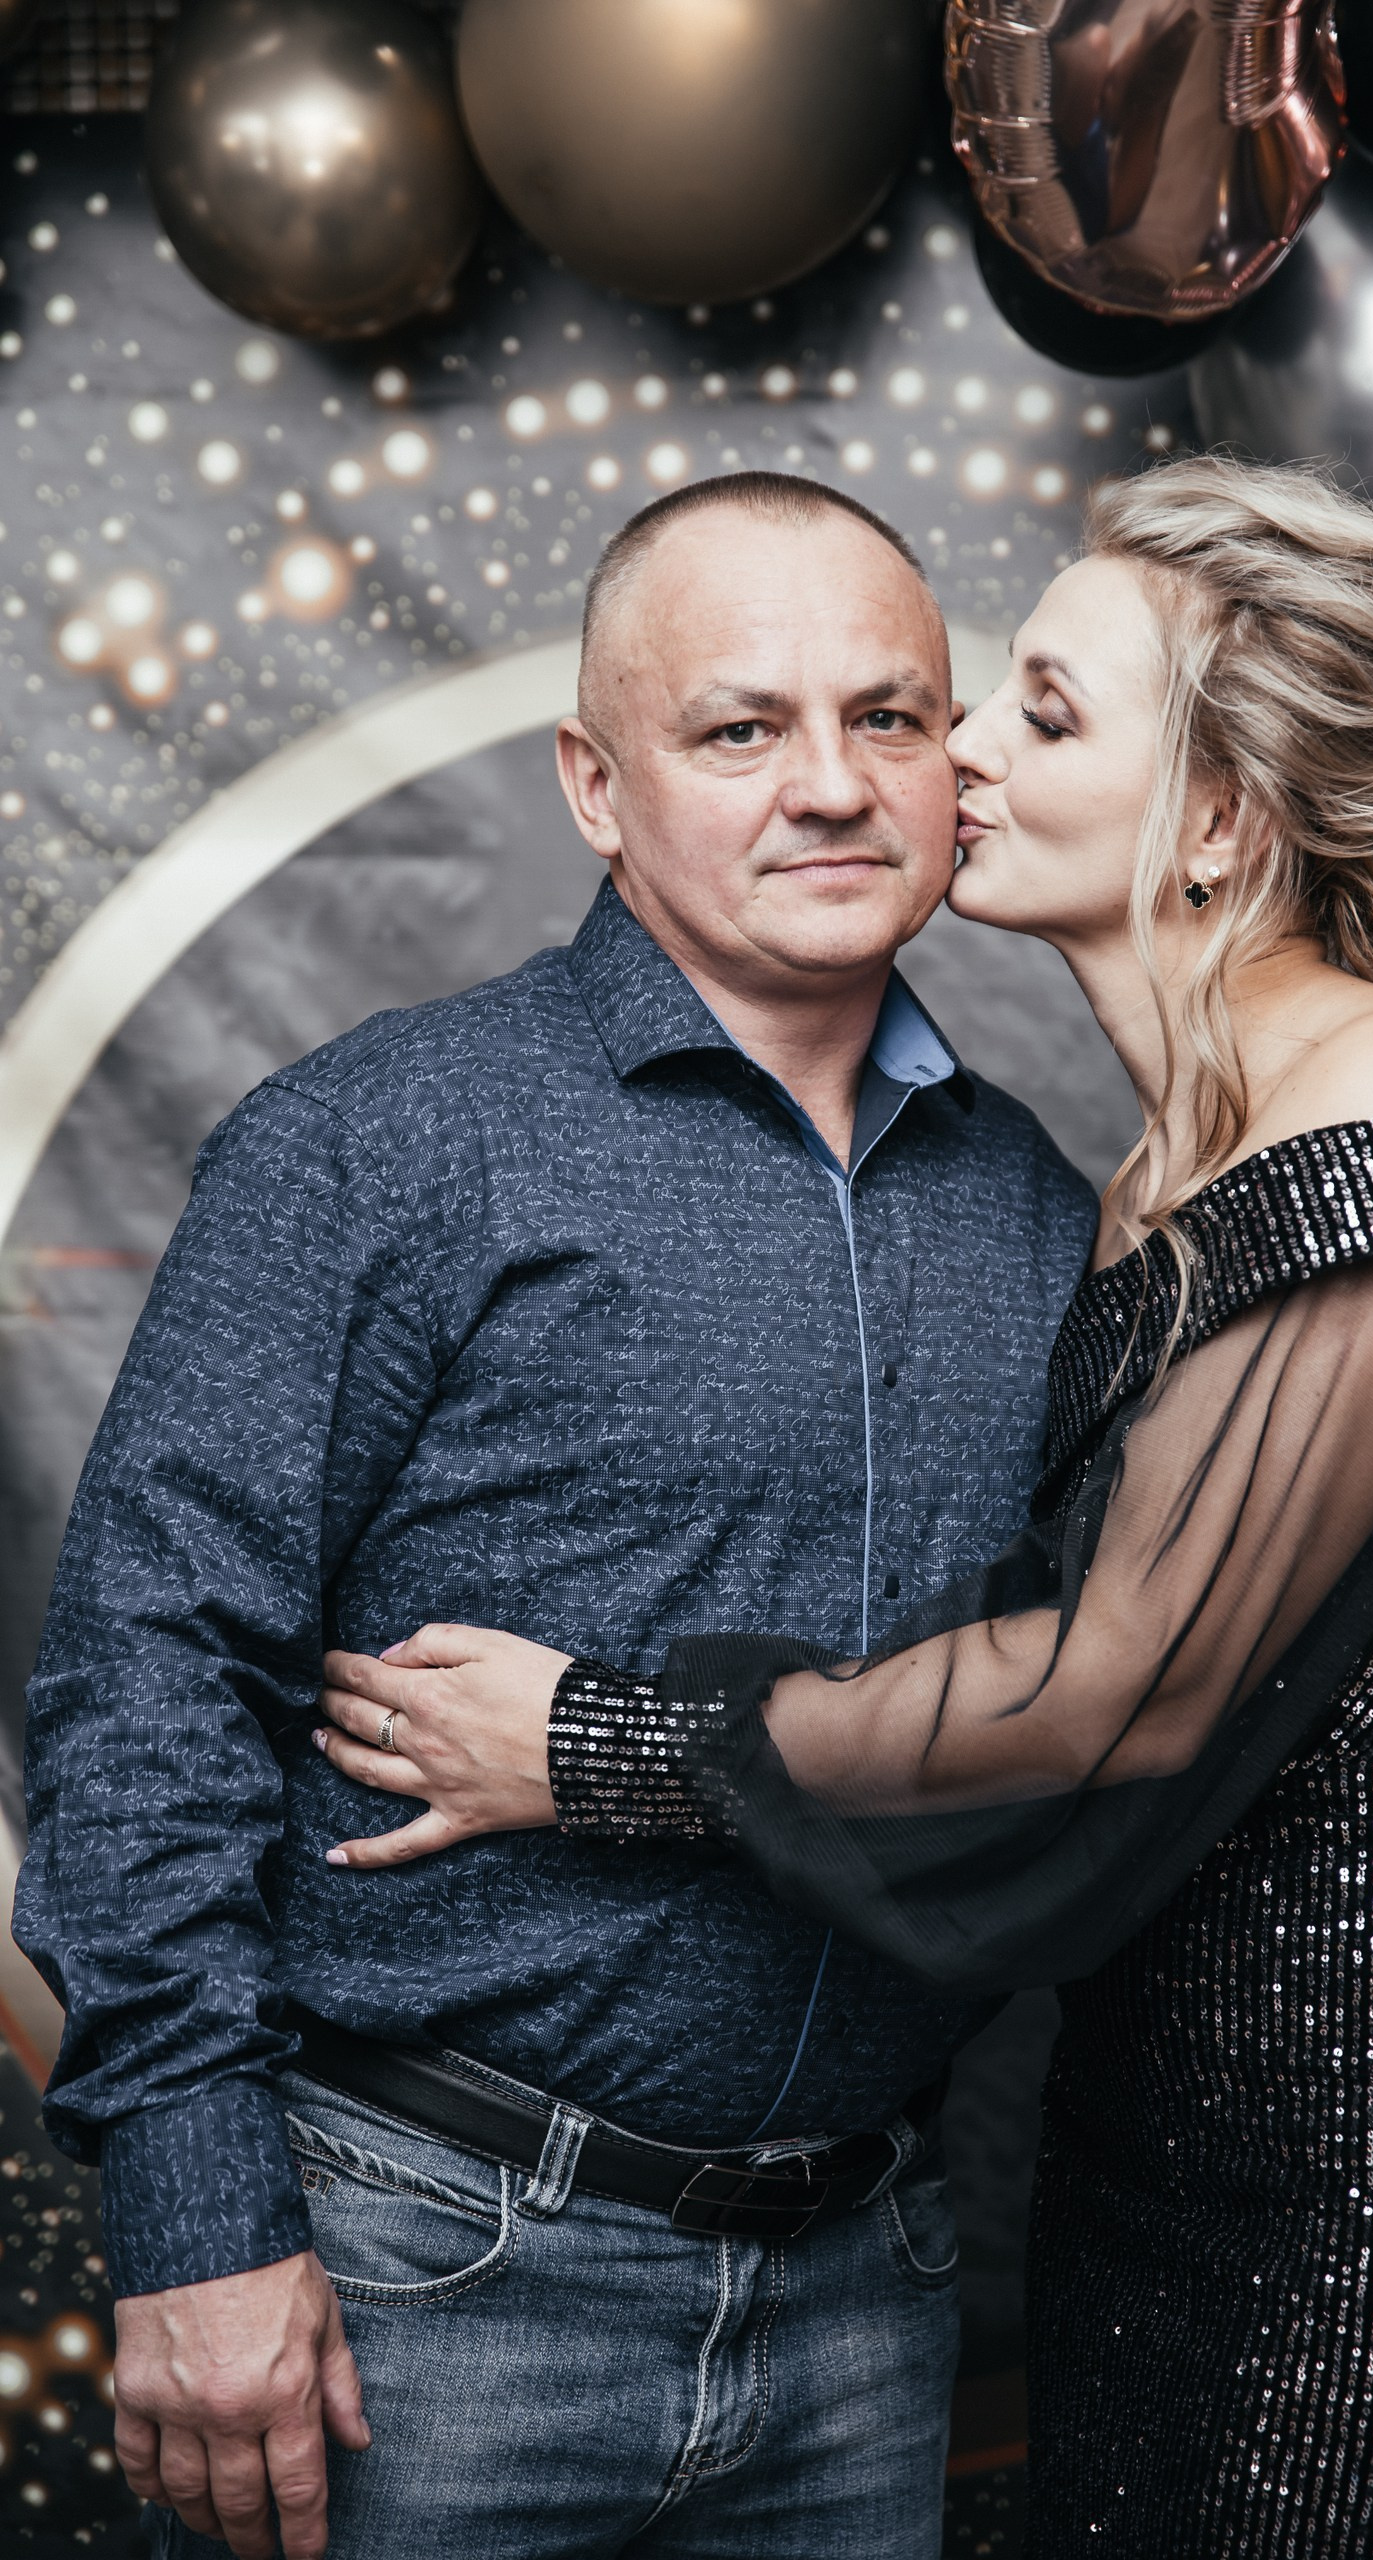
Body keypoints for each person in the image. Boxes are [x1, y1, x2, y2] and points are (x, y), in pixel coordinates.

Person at [318, 457, 1373, 2559]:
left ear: (1216, 822)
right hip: (1159, 2119)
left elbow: (1115, 1684)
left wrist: (592, 1744)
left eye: (1040, 711)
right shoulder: (1137, 1179)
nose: (951, 753)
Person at [14, 474, 1100, 2560]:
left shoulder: (1041, 1211)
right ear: (597, 785)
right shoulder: (379, 1140)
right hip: (425, 2273)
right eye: (739, 727)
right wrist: (194, 2215)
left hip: (866, 2293)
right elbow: (150, 1674)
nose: (831, 785)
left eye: (886, 716)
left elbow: (1053, 1716)